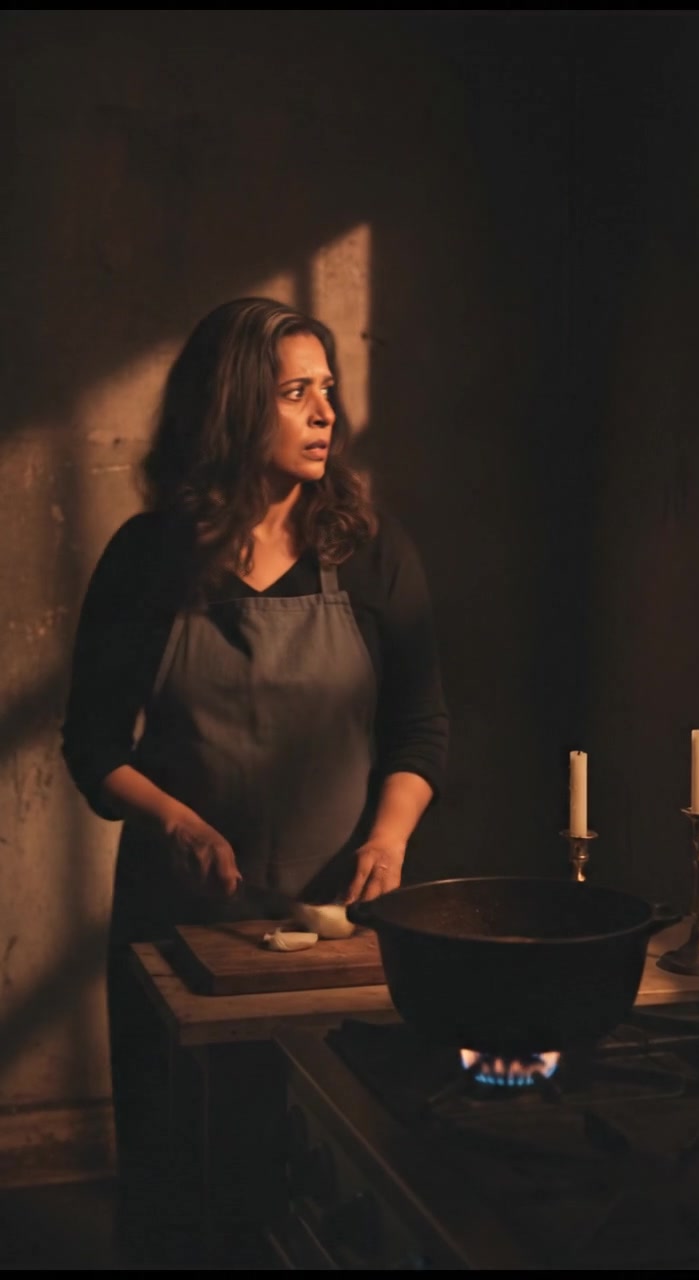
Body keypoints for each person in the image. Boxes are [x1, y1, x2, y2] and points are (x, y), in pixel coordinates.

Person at [61, 295, 448, 1262]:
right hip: (179, 925)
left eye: (329, 391)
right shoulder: (148, 561)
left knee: (326, 1188)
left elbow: (421, 730)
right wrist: (175, 823)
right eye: (295, 394)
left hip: (337, 933)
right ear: (234, 407)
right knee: (185, 1188)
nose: (326, 415)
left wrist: (388, 837)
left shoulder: (369, 553)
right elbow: (93, 744)